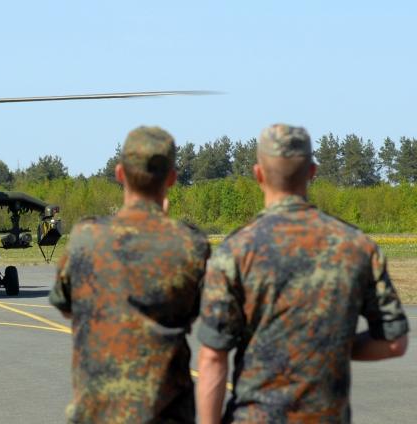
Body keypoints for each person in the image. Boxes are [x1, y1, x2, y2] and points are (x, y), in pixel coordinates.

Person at [196, 124, 409, 423]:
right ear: (312, 172)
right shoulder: (356, 245)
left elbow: (213, 357)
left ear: (258, 174)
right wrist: (327, 344)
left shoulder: (236, 251)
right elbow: (393, 341)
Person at [50, 126, 210, 423]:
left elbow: (66, 305)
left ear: (120, 173)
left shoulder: (86, 237)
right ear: (172, 178)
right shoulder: (190, 244)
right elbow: (192, 312)